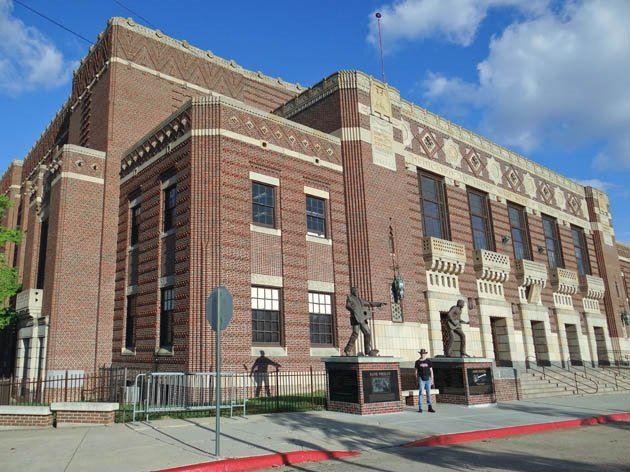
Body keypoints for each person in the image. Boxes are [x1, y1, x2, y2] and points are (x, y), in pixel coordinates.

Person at [343, 287, 385, 356]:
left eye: (357, 290)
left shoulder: (360, 300)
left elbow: (369, 303)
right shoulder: (350, 298)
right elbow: (347, 306)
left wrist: (379, 304)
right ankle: (347, 350)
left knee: (367, 333)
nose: (357, 291)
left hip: (362, 319)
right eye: (355, 290)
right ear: (352, 291)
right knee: (355, 334)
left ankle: (367, 350)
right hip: (355, 319)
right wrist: (354, 310)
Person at [414, 348, 435, 413]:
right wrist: (416, 380)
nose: (423, 355)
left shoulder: (428, 361)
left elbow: (431, 371)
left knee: (428, 393)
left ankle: (430, 407)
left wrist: (432, 380)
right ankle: (420, 408)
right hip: (421, 379)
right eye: (422, 353)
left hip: (428, 379)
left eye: (424, 353)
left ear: (425, 354)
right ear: (420, 354)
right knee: (421, 393)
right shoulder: (417, 362)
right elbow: (416, 372)